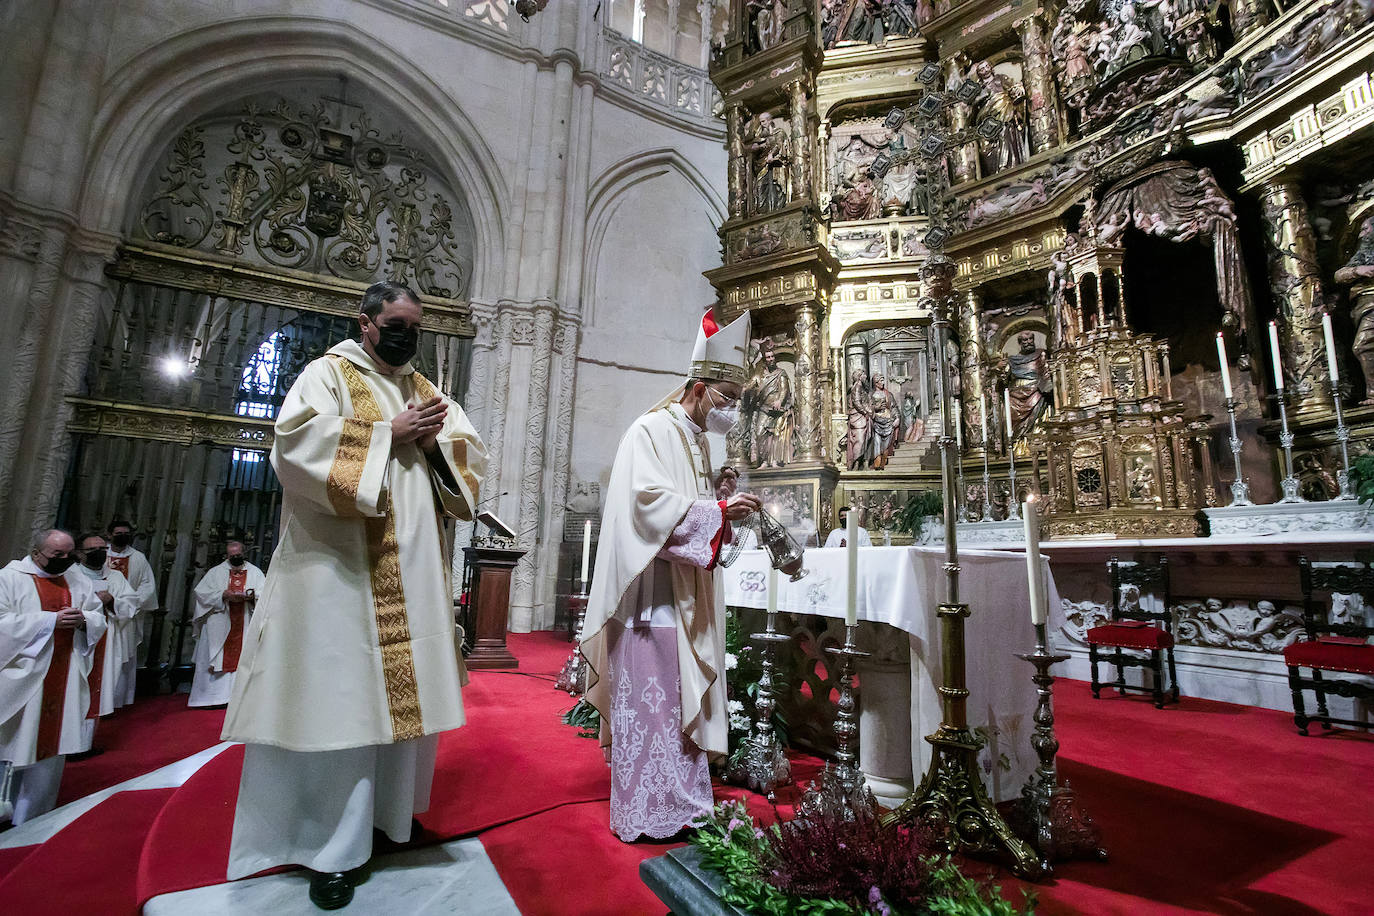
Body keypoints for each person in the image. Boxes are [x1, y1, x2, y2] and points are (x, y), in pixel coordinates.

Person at [220, 280, 486, 908]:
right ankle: (329, 851)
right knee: (340, 707)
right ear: (366, 323)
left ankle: (390, 823)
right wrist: (384, 434)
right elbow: (293, 447)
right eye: (396, 323)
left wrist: (431, 444)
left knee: (400, 712)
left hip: (412, 579)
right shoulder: (326, 374)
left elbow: (468, 470)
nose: (406, 336)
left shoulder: (429, 393)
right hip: (337, 577)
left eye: (416, 326)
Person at [581, 308, 761, 842]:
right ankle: (646, 809)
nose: (729, 411)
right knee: (655, 704)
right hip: (650, 598)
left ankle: (682, 803)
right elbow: (644, 504)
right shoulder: (649, 430)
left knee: (680, 702)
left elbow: (683, 499)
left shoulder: (697, 439)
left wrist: (715, 496)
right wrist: (717, 513)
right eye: (726, 399)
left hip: (682, 593)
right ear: (699, 387)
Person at [0, 530, 106, 824]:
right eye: (57, 555)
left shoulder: (77, 579)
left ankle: (34, 818)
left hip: (63, 672)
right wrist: (50, 621)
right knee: (11, 744)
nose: (65, 561)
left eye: (70, 554)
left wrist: (84, 620)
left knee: (50, 747)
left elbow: (97, 615)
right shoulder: (9, 579)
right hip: (20, 679)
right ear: (36, 553)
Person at [70, 532, 139, 751]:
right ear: (80, 554)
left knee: (98, 687)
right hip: (76, 642)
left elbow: (131, 603)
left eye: (103, 549)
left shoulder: (116, 577)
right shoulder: (70, 576)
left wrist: (112, 600)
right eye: (93, 550)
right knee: (74, 689)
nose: (101, 554)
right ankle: (69, 744)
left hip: (107, 641)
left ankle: (85, 744)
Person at [188, 541, 265, 708]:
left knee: (244, 654)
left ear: (244, 553)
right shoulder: (215, 573)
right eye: (232, 556)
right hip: (219, 621)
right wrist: (222, 595)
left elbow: (265, 594)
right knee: (215, 654)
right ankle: (210, 698)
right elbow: (201, 593)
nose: (235, 558)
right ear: (227, 555)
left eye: (238, 555)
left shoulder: (255, 572)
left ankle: (238, 700)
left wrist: (251, 597)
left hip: (244, 620)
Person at [105, 518, 158, 705]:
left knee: (124, 655)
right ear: (109, 535)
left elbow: (147, 585)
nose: (123, 537)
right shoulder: (100, 554)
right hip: (99, 613)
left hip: (127, 615)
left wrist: (130, 603)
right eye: (118, 534)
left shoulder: (137, 558)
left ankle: (118, 699)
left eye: (126, 533)